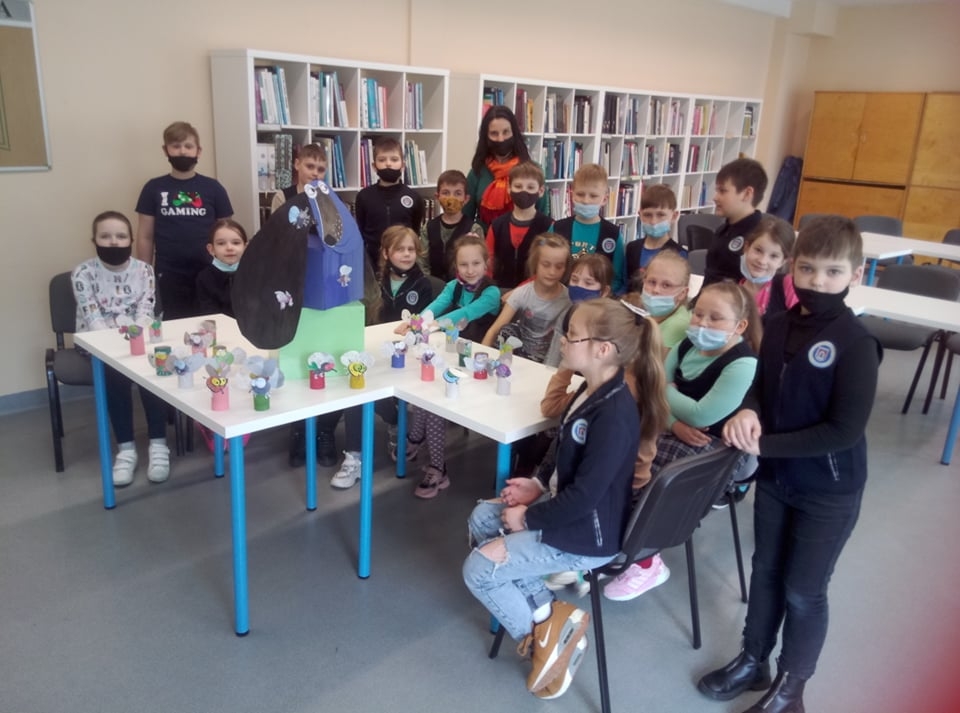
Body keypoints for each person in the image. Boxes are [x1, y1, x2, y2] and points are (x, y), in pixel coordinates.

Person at [697, 216, 882, 713]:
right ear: (792, 269)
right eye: (807, 269)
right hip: (778, 481)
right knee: (765, 572)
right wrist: (749, 410)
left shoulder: (857, 343)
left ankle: (791, 687)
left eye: (832, 272)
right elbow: (760, 387)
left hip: (828, 490)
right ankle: (752, 659)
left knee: (804, 590)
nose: (817, 282)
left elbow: (843, 431)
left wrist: (765, 447)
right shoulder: (776, 325)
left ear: (855, 274)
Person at [462, 298, 668, 699]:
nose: (563, 341)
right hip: (569, 514)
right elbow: (561, 449)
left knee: (478, 570)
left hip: (587, 536)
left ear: (602, 349)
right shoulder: (590, 390)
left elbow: (585, 498)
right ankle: (550, 616)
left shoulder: (614, 413)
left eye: (571, 336)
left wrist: (528, 518)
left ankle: (543, 644)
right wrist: (536, 485)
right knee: (483, 519)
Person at [603, 282, 760, 602]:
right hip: (672, 429)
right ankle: (606, 537)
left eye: (715, 318)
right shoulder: (686, 345)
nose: (703, 323)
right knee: (617, 459)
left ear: (740, 326)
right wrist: (674, 420)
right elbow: (654, 390)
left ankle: (646, 561)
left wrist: (667, 392)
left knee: (657, 486)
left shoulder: (743, 363)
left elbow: (703, 415)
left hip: (715, 449)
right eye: (698, 314)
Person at [394, 234, 501, 498]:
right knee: (425, 390)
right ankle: (418, 440)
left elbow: (464, 314)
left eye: (476, 263)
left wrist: (431, 325)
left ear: (486, 263)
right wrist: (416, 323)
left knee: (434, 403)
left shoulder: (491, 293)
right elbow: (435, 307)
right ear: (456, 266)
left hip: (480, 367)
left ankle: (436, 465)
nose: (470, 270)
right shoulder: (453, 286)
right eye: (463, 264)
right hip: (455, 357)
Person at [331, 226, 434, 489]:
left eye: (411, 249)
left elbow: (424, 327)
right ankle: (354, 457)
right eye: (400, 249)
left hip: (409, 359)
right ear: (386, 253)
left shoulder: (423, 285)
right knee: (356, 386)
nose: (407, 254)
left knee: (367, 390)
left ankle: (395, 420)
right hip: (376, 355)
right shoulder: (374, 284)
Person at [72, 211, 170, 486]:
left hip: (139, 340)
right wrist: (118, 350)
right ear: (94, 240)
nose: (113, 242)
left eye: (120, 236)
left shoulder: (144, 271)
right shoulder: (83, 273)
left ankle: (159, 445)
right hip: (99, 343)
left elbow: (145, 310)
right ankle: (126, 450)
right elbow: (93, 318)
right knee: (115, 375)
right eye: (105, 236)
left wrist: (134, 343)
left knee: (153, 371)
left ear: (130, 240)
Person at [135, 121, 233, 320]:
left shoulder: (214, 188)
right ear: (166, 150)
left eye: (188, 146)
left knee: (211, 323)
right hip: (169, 274)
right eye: (176, 146)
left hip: (209, 271)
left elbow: (227, 232)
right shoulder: (153, 188)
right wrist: (145, 274)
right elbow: (145, 236)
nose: (182, 151)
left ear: (198, 151)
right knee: (174, 325)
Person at [481, 233, 571, 363]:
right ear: (535, 263)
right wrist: (481, 359)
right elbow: (494, 330)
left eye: (559, 267)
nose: (552, 272)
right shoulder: (523, 293)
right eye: (546, 265)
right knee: (507, 330)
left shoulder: (568, 300)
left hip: (549, 359)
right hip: (520, 354)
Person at [466, 105, 549, 230]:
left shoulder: (533, 170)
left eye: (506, 132)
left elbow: (543, 216)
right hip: (484, 239)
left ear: (514, 133)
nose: (501, 139)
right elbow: (466, 218)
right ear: (486, 136)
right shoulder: (477, 172)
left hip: (526, 238)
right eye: (494, 133)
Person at [552, 163, 627, 293]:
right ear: (572, 195)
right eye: (580, 194)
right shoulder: (557, 228)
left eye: (593, 196)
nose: (586, 201)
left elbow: (616, 278)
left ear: (604, 199)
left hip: (596, 299)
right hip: (560, 296)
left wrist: (601, 296)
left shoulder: (612, 234)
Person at [354, 136, 425, 269]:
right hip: (371, 263)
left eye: (394, 159)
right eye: (382, 160)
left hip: (403, 261)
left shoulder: (414, 197)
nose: (388, 164)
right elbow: (361, 230)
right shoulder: (364, 196)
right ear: (374, 166)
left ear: (402, 165)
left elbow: (415, 230)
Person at [485, 161, 553, 289]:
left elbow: (548, 265)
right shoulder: (497, 225)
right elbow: (488, 262)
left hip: (534, 291)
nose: (524, 191)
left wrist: (519, 292)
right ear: (509, 189)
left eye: (530, 187)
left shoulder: (548, 226)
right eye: (518, 186)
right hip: (499, 291)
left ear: (541, 191)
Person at [703, 158, 768, 287]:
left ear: (747, 194)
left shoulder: (760, 236)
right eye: (717, 191)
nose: (715, 198)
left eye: (722, 191)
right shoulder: (722, 230)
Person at [542, 253, 614, 368]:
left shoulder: (610, 324)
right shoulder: (566, 315)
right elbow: (552, 359)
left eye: (588, 283)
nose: (579, 286)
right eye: (574, 280)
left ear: (604, 291)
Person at [419, 169, 483, 280]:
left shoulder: (474, 229)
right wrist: (431, 283)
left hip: (462, 284)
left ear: (466, 199)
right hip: (432, 285)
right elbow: (422, 262)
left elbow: (478, 264)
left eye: (458, 193)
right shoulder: (428, 228)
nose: (451, 198)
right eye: (446, 193)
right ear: (437, 197)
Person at [624, 183, 687, 290]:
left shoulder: (679, 254)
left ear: (674, 216)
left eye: (661, 215)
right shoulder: (632, 248)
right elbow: (625, 284)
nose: (653, 221)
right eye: (647, 215)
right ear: (640, 215)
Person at [738, 215, 798, 322]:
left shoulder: (787, 285)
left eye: (774, 256)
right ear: (746, 247)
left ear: (783, 261)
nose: (762, 261)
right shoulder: (735, 291)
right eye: (758, 250)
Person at [638, 250, 693, 351]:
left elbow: (653, 361)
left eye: (666, 285)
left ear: (682, 293)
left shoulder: (677, 325)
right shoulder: (649, 314)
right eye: (652, 282)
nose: (656, 290)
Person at [195, 218, 248, 318]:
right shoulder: (204, 278)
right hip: (220, 325)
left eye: (236, 243)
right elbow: (209, 312)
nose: (229, 248)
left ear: (245, 247)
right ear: (211, 249)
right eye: (221, 243)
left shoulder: (254, 275)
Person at [269, 143, 327, 215]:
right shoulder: (282, 197)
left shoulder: (329, 200)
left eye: (321, 170)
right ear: (297, 164)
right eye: (310, 167)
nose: (315, 173)